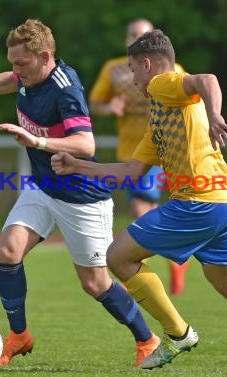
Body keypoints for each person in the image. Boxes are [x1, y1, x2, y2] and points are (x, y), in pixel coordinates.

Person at [51, 29, 227, 373]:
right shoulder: (162, 116)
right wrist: (77, 165)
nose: (133, 79)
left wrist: (215, 116)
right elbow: (131, 172)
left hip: (199, 200)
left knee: (118, 257)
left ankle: (178, 333)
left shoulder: (161, 84)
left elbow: (207, 79)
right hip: (226, 199)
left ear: (148, 65)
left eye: (133, 70)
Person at [0, 19, 160, 368]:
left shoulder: (65, 88)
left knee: (95, 284)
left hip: (81, 196)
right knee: (7, 251)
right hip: (42, 187)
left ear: (45, 56)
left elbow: (86, 143)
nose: (15, 70)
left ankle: (148, 340)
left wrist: (38, 141)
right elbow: (11, 81)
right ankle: (19, 335)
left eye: (21, 63)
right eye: (12, 63)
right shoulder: (26, 75)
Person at [89, 18, 190, 296]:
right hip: (130, 153)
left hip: (160, 152)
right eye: (132, 34)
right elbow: (94, 104)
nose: (136, 38)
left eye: (142, 35)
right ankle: (174, 255)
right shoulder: (113, 69)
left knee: (140, 207)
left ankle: (134, 265)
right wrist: (110, 107)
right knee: (145, 206)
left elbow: (191, 97)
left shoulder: (172, 70)